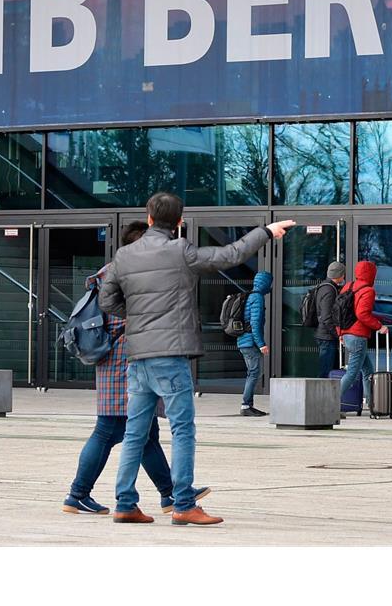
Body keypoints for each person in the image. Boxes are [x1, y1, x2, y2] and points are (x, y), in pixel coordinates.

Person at [100, 191, 295, 525]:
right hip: (170, 354)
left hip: (138, 357)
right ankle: (184, 503)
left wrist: (137, 317)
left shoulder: (124, 255)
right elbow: (229, 254)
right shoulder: (180, 250)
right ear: (179, 223)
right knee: (182, 430)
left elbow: (107, 301)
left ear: (148, 219)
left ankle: (125, 502)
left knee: (135, 432)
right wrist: (266, 231)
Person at [63, 222, 210, 515]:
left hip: (118, 360)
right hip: (124, 360)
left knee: (145, 434)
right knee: (108, 431)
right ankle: (78, 494)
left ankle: (170, 494)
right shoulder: (130, 270)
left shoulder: (111, 269)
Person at [336, 260, 387, 412]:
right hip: (358, 336)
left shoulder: (347, 287)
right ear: (372, 274)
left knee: (368, 371)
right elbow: (362, 314)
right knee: (351, 373)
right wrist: (380, 326)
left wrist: (340, 333)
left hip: (346, 334)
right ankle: (330, 402)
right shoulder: (368, 291)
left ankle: (373, 404)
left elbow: (338, 312)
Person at [237, 270, 272, 417]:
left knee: (252, 373)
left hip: (243, 340)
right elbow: (255, 323)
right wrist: (261, 344)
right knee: (254, 373)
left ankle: (247, 404)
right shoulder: (257, 298)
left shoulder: (249, 296)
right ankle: (246, 405)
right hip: (250, 342)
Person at [315, 261, 345, 378]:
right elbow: (327, 317)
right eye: (343, 274)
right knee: (325, 371)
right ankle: (321, 396)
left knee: (327, 369)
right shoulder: (329, 290)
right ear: (338, 275)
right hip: (326, 336)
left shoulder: (323, 286)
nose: (344, 277)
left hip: (324, 334)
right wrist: (337, 334)